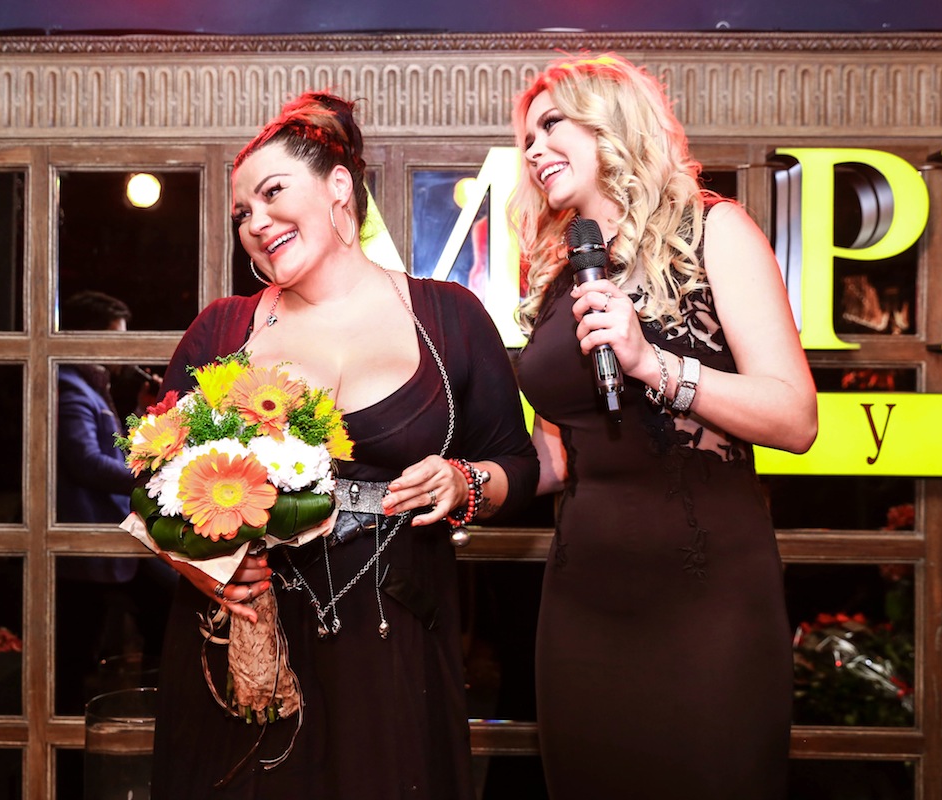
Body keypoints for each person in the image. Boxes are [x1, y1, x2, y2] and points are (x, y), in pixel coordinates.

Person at [149, 92, 538, 799]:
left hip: (390, 643)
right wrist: (203, 567)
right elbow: (151, 483)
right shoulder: (223, 330)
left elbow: (519, 465)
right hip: (251, 644)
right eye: (241, 214)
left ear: (338, 187)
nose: (255, 222)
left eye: (272, 194)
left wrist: (464, 482)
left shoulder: (448, 317)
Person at [509, 54, 818, 799]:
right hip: (583, 604)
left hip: (707, 600)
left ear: (610, 122)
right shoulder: (560, 271)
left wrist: (654, 365)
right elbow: (555, 459)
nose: (534, 149)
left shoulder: (715, 230)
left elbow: (796, 418)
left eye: (551, 125)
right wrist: (459, 474)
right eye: (526, 139)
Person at [54, 290, 172, 714]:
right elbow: (85, 461)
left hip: (108, 540)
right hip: (89, 541)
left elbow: (117, 452)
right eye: (117, 338)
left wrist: (141, 410)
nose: (125, 348)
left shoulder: (91, 387)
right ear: (90, 338)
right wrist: (151, 480)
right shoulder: (70, 388)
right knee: (78, 647)